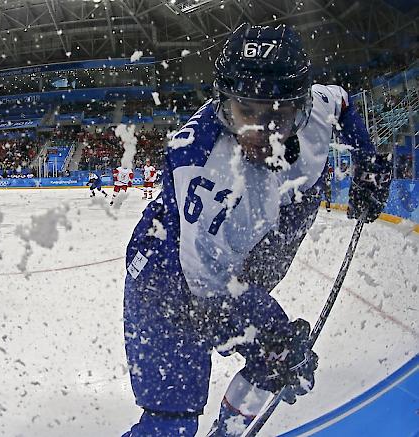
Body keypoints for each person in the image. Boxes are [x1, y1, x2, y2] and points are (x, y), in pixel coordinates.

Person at [121, 23, 391, 437]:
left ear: (301, 105)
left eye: (279, 114)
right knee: (170, 420)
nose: (260, 133)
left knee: (277, 361)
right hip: (166, 278)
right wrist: (273, 331)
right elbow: (206, 288)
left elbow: (343, 103)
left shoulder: (318, 106)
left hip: (236, 260)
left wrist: (368, 162)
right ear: (223, 105)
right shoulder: (205, 171)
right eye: (246, 112)